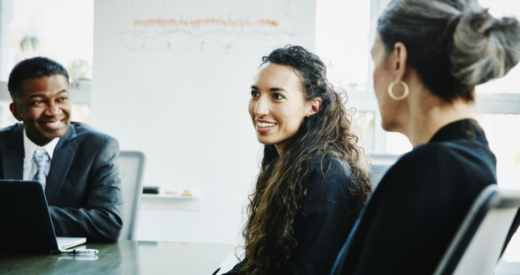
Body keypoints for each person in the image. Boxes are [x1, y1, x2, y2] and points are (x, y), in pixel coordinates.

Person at [331, 0, 520, 274]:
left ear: (398, 60)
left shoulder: (427, 170)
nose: (373, 79)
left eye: (374, 58)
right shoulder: (474, 160)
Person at [224, 46, 371, 275]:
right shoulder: (281, 161)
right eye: (255, 94)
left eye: (277, 96)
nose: (259, 109)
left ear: (313, 106)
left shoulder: (326, 171)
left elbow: (309, 269)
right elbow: (260, 262)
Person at [0, 57, 123, 242]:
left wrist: (24, 215)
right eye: (38, 102)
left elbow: (108, 223)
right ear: (17, 111)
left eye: (61, 99)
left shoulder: (98, 147)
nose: (53, 111)